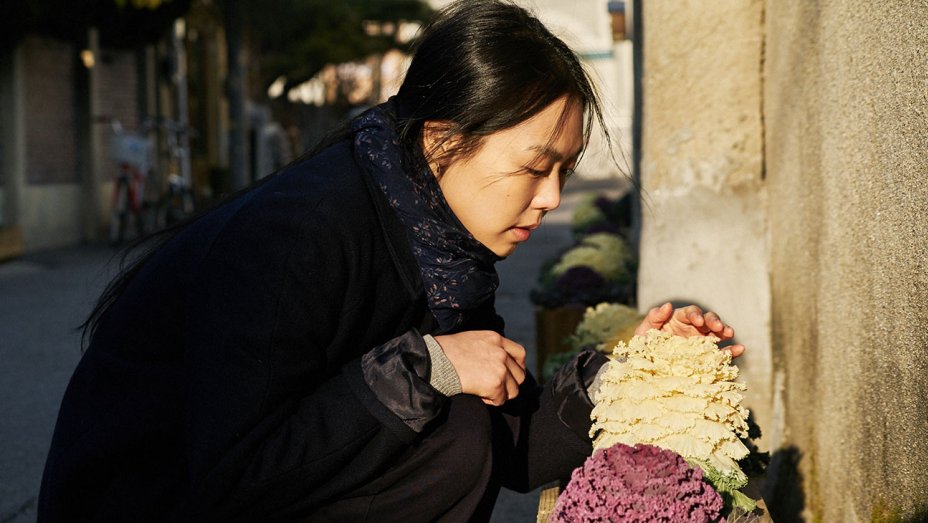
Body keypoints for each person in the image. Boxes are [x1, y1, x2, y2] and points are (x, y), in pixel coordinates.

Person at [38, 1, 744, 521]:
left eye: (565, 170)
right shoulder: (300, 237)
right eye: (535, 168)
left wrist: (629, 372)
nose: (552, 198)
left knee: (463, 425)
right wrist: (429, 367)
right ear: (441, 139)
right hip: (145, 498)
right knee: (452, 427)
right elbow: (235, 474)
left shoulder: (440, 246)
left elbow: (515, 445)